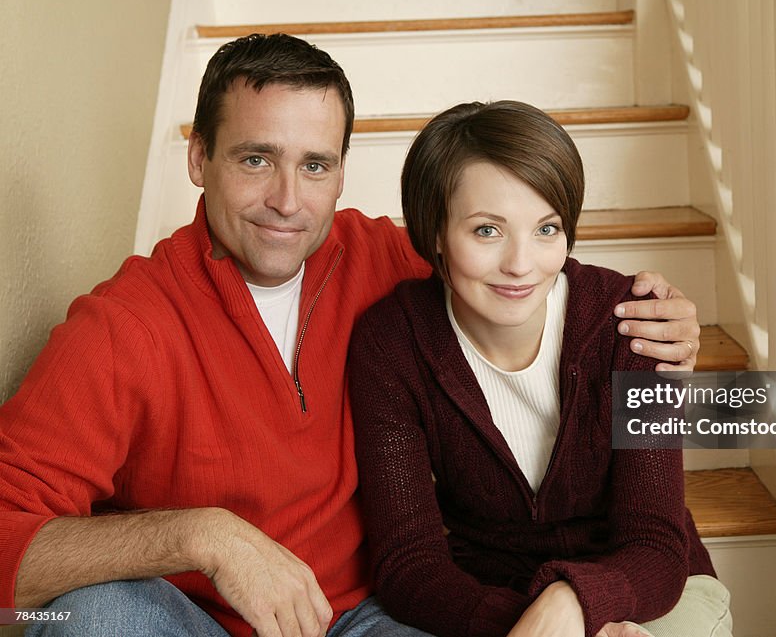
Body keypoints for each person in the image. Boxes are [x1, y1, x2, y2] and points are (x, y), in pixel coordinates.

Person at [0, 34, 703, 637]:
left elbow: (516, 258)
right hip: (191, 617)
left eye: (315, 165)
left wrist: (652, 317)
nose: (286, 199)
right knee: (94, 616)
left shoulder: (387, 262)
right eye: (255, 159)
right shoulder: (122, 326)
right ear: (197, 159)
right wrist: (200, 535)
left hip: (364, 617)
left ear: (341, 171)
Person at [348, 101, 731, 637]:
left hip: (649, 592)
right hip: (491, 603)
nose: (521, 264)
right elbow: (409, 565)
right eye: (487, 231)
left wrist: (576, 604)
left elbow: (656, 547)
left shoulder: (633, 325)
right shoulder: (392, 344)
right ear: (435, 234)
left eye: (547, 229)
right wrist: (538, 624)